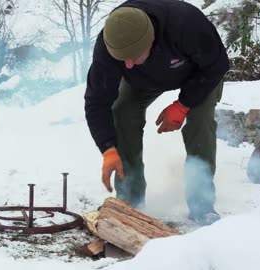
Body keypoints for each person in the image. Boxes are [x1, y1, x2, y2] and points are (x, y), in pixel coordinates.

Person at [84, 0, 229, 226]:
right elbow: (96, 102)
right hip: (142, 82)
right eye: (123, 59)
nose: (128, 64)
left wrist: (182, 104)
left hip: (198, 75)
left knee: (200, 121)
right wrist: (107, 149)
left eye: (133, 56)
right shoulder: (109, 45)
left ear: (151, 38)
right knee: (122, 112)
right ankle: (130, 203)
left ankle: (203, 205)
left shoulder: (186, 23)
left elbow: (217, 65)